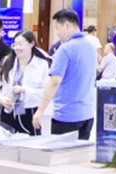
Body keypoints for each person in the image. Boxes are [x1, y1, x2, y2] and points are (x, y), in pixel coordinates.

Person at [35, 9, 96, 138]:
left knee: (60, 151)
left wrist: (40, 110)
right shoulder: (91, 46)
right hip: (87, 114)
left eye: (58, 29)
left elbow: (54, 82)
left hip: (66, 116)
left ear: (67, 25)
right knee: (81, 150)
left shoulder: (65, 49)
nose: (57, 33)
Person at [10, 30, 50, 134]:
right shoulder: (9, 62)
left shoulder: (42, 64)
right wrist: (0, 98)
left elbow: (46, 92)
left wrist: (24, 90)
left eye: (20, 44)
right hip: (12, 108)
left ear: (31, 44)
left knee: (31, 140)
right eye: (15, 44)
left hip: (31, 109)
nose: (17, 48)